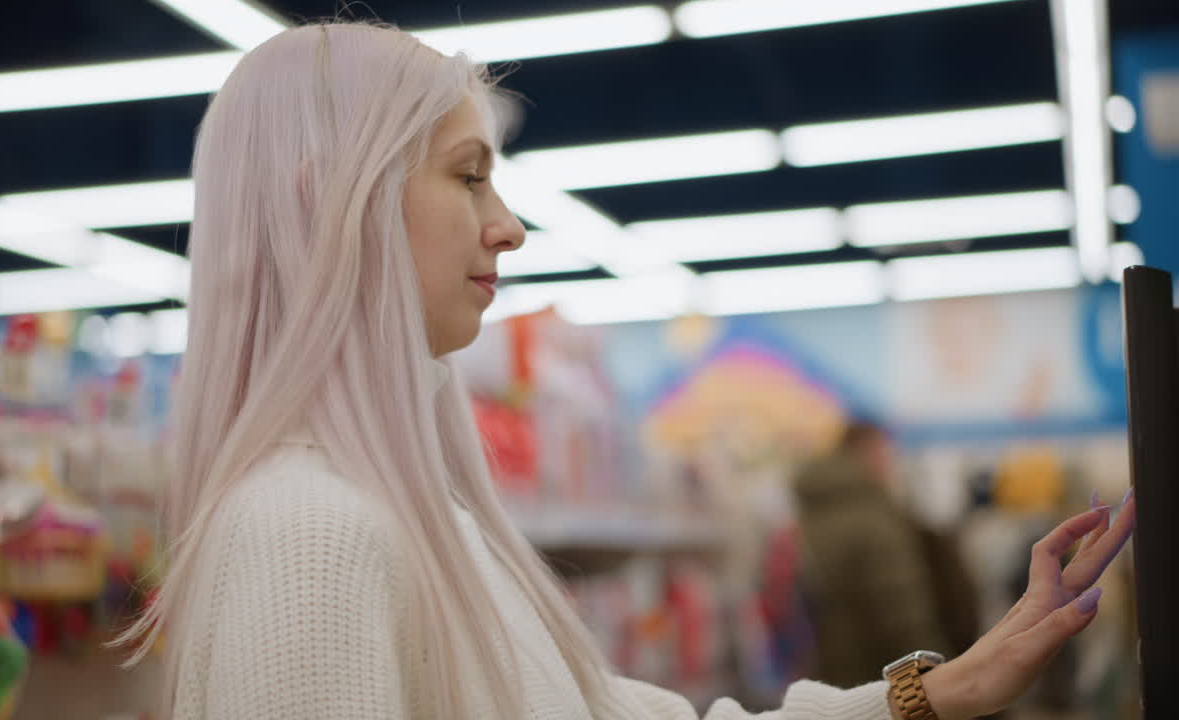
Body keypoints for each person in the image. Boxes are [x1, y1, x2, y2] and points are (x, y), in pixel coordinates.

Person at [114, 21, 1138, 720]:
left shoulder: (411, 523)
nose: (506, 227)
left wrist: (936, 691)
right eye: (467, 177)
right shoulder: (307, 536)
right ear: (320, 201)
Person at [793, 421, 980, 690]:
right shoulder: (873, 518)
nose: (891, 463)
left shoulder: (812, 511)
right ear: (866, 452)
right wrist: (935, 680)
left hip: (831, 670)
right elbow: (901, 613)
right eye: (886, 452)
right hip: (878, 675)